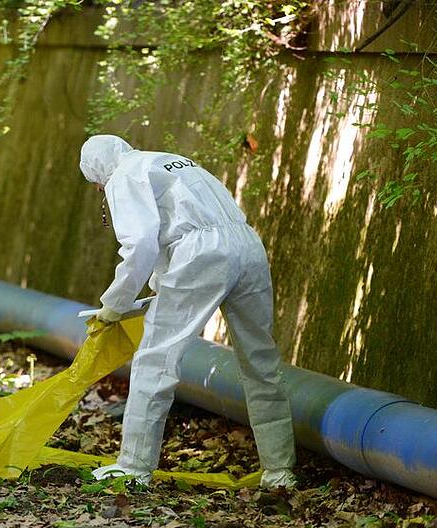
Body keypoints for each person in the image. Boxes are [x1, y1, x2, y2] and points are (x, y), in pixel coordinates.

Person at [79, 134, 297, 489]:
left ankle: (134, 467)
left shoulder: (123, 175)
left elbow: (142, 243)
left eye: (96, 185)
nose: (99, 190)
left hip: (201, 256)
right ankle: (279, 471)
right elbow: (181, 227)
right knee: (260, 361)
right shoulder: (167, 160)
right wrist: (160, 286)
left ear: (98, 171)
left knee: (155, 358)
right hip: (247, 245)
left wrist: (113, 305)